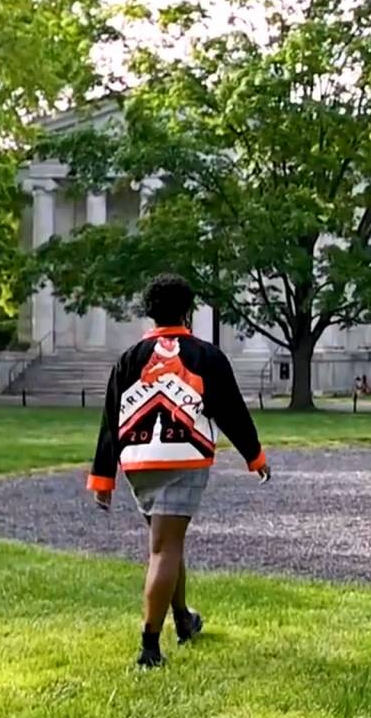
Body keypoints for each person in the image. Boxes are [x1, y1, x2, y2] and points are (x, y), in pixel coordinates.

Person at [87, 273, 272, 668]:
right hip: (182, 458)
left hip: (137, 462)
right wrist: (255, 456)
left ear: (149, 312)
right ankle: (149, 648)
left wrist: (104, 476)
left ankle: (184, 619)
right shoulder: (206, 356)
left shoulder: (128, 359)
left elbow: (109, 419)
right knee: (164, 548)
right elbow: (232, 412)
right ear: (188, 310)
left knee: (167, 543)